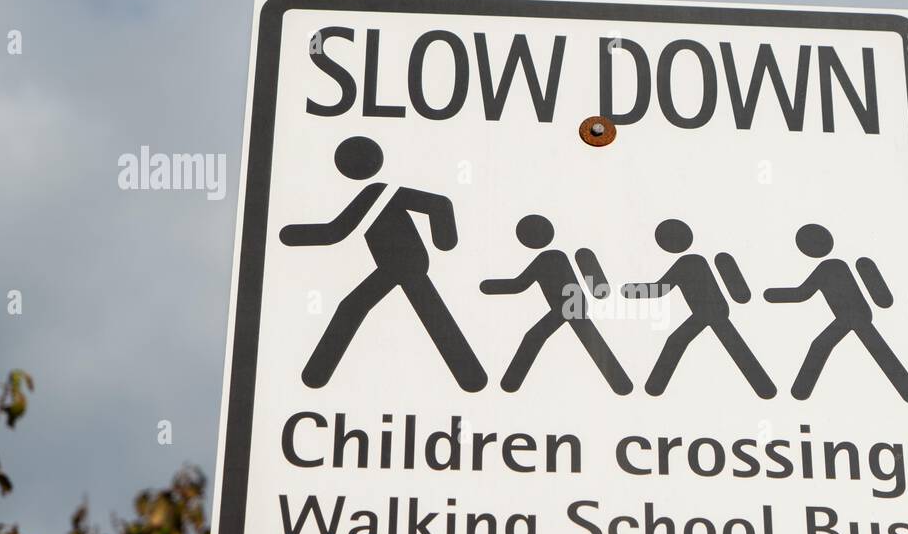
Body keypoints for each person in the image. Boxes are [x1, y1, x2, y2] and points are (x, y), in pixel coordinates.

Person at [280, 135, 487, 391]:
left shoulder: (382, 193)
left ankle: (472, 377)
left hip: (407, 263)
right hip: (393, 265)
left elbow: (439, 204)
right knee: (416, 310)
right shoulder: (373, 194)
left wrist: (445, 240)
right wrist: (290, 235)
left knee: (357, 307)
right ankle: (471, 376)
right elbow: (336, 231)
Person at [763, 223, 908, 403]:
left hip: (856, 315)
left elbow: (802, 293)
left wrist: (771, 295)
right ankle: (799, 393)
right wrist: (772, 295)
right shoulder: (828, 267)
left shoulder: (834, 266)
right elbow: (802, 293)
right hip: (848, 316)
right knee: (826, 345)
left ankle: (799, 392)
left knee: (824, 345)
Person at [622, 219, 776, 399]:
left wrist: (629, 290)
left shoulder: (690, 262)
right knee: (728, 345)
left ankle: (655, 386)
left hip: (711, 311)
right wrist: (630, 290)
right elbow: (661, 288)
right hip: (711, 311)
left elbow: (660, 288)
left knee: (677, 341)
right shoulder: (691, 261)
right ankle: (764, 387)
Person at [480, 214, 633, 395]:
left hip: (572, 304)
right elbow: (519, 284)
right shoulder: (545, 259)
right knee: (579, 338)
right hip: (567, 306)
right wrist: (489, 286)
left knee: (534, 336)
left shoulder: (554, 256)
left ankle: (510, 383)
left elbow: (519, 284)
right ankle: (620, 382)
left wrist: (489, 287)